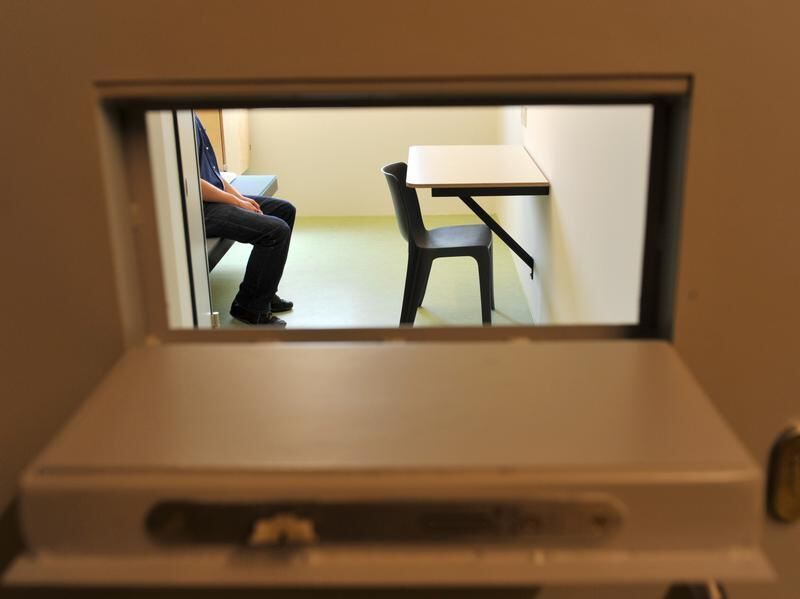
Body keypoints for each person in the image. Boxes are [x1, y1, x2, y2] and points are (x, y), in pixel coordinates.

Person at [194, 115, 295, 326]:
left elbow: (213, 175)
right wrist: (235, 201)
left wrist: (241, 198)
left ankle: (264, 294)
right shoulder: (175, 124)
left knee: (284, 210)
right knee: (276, 231)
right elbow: (193, 182)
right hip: (198, 209)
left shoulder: (193, 116)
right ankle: (249, 308)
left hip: (215, 199)